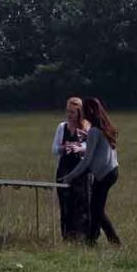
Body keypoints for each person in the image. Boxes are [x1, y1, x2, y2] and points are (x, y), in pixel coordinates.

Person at [68, 95, 122, 246]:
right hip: (112, 171)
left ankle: (110, 241)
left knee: (96, 209)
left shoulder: (94, 131)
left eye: (82, 111)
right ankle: (93, 239)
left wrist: (70, 176)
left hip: (104, 175)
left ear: (88, 112)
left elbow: (86, 161)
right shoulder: (105, 127)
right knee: (96, 208)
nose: (81, 114)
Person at [51, 95, 91, 241]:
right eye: (68, 111)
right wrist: (64, 147)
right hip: (63, 168)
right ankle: (66, 236)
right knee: (64, 204)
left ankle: (81, 236)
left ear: (80, 112)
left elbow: (91, 148)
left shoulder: (86, 127)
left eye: (73, 112)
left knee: (80, 204)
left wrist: (80, 148)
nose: (69, 115)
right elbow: (54, 149)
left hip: (80, 170)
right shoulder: (62, 127)